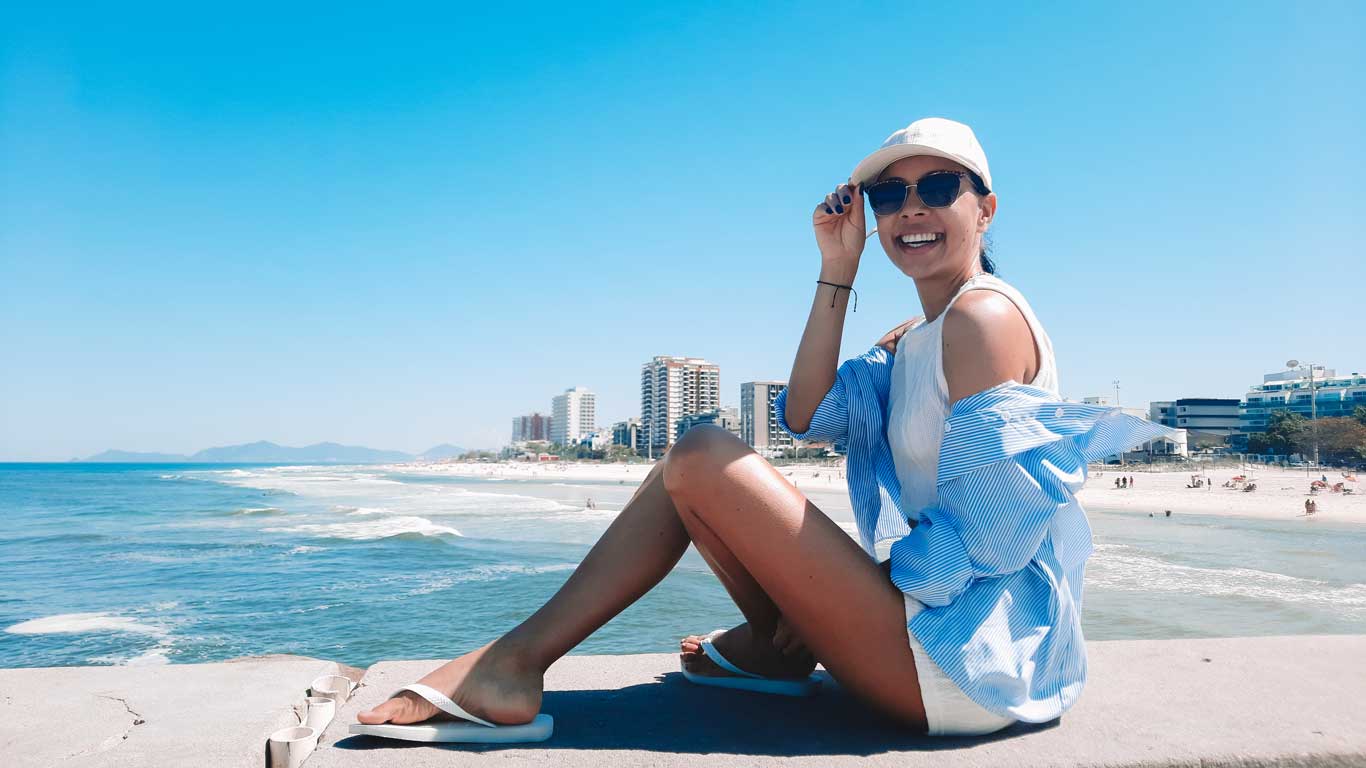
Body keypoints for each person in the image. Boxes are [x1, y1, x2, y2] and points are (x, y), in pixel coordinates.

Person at [355, 117, 1168, 739]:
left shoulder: (983, 319)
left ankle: (513, 666)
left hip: (970, 665)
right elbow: (806, 416)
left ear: (984, 209)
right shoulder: (922, 336)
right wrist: (837, 268)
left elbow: (994, 535)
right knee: (696, 471)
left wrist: (863, 592)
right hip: (940, 640)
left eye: (938, 188)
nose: (910, 209)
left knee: (702, 451)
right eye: (889, 196)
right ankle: (772, 652)